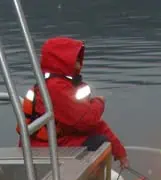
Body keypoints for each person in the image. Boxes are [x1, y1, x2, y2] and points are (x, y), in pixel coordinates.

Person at [19, 37, 128, 168]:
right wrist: (99, 102)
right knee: (99, 142)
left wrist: (120, 152)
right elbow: (89, 120)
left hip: (60, 141)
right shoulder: (56, 88)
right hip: (46, 148)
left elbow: (95, 125)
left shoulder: (63, 85)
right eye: (75, 57)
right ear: (62, 59)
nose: (80, 62)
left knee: (100, 139)